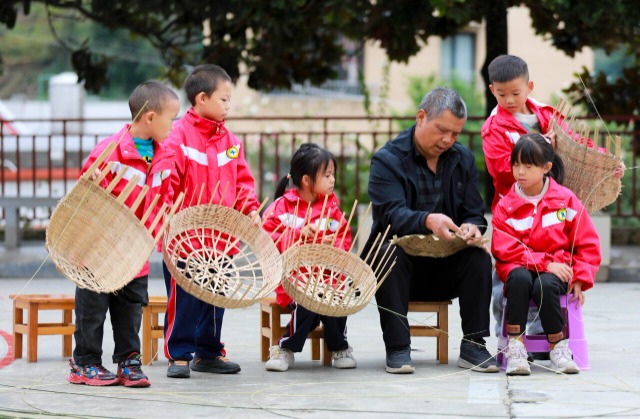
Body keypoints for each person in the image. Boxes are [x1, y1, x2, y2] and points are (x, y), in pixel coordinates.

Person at [482, 54, 624, 339]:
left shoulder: (547, 115)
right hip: (516, 214)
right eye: (501, 94)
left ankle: (546, 336)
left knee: (548, 277)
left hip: (550, 208)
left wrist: (607, 163)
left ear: (530, 86)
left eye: (515, 92)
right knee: (511, 277)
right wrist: (539, 147)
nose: (509, 100)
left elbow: (577, 145)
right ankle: (509, 336)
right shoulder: (493, 128)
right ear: (491, 90)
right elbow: (501, 171)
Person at [364, 87, 498, 374]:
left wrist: (473, 228)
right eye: (442, 130)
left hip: (445, 266)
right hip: (401, 272)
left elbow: (475, 212)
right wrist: (428, 220)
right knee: (388, 253)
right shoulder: (387, 160)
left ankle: (474, 344)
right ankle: (398, 348)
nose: (448, 140)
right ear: (421, 117)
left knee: (479, 257)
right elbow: (390, 214)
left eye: (455, 134)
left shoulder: (462, 160)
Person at [67, 81, 181, 387]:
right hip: (97, 250)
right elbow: (83, 195)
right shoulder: (109, 151)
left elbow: (165, 198)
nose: (174, 125)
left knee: (130, 308)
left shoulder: (166, 156)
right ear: (150, 117)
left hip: (135, 252)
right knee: (92, 309)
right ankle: (85, 362)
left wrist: (164, 222)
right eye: (171, 118)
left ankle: (128, 361)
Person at [162, 64, 260, 379]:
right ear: (201, 98)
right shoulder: (177, 137)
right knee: (185, 297)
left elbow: (242, 180)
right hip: (185, 239)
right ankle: (178, 354)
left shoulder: (230, 140)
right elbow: (167, 183)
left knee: (216, 297)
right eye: (224, 100)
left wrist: (251, 208)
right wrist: (165, 219)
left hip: (221, 238)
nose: (228, 106)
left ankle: (208, 352)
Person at [491, 133, 601, 375]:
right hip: (518, 268)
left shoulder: (565, 200)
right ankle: (516, 346)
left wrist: (581, 278)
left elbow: (587, 242)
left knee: (546, 285)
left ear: (546, 168)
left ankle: (558, 346)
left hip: (555, 272)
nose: (520, 171)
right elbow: (503, 249)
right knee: (519, 280)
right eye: (516, 164)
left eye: (528, 166)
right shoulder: (505, 206)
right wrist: (545, 263)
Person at [261, 143, 357, 371]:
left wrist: (333, 244)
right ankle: (285, 348)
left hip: (327, 280)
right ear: (306, 180)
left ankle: (339, 346)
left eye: (333, 174)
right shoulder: (282, 207)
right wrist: (296, 235)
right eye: (327, 175)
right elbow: (266, 241)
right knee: (308, 297)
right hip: (293, 281)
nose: (333, 180)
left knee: (338, 296)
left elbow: (344, 238)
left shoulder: (332, 209)